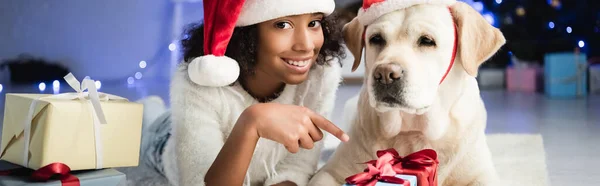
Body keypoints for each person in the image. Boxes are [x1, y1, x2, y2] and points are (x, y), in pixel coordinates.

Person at [136, 0, 349, 185]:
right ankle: (149, 108)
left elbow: (299, 166)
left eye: (314, 23)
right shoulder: (199, 80)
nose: (306, 45)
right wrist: (252, 122)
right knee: (142, 128)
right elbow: (198, 181)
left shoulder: (321, 72)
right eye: (282, 25)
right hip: (162, 143)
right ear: (247, 32)